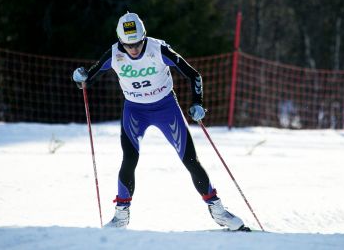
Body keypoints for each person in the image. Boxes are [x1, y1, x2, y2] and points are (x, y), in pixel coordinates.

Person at [72, 12, 248, 231]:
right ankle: (121, 216)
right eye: (128, 45)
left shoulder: (158, 49)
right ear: (120, 42)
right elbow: (89, 78)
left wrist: (197, 103)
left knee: (190, 160)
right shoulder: (114, 53)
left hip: (166, 107)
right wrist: (82, 78)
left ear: (144, 37)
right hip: (134, 110)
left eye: (137, 43)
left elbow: (193, 75)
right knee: (129, 159)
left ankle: (219, 211)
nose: (134, 49)